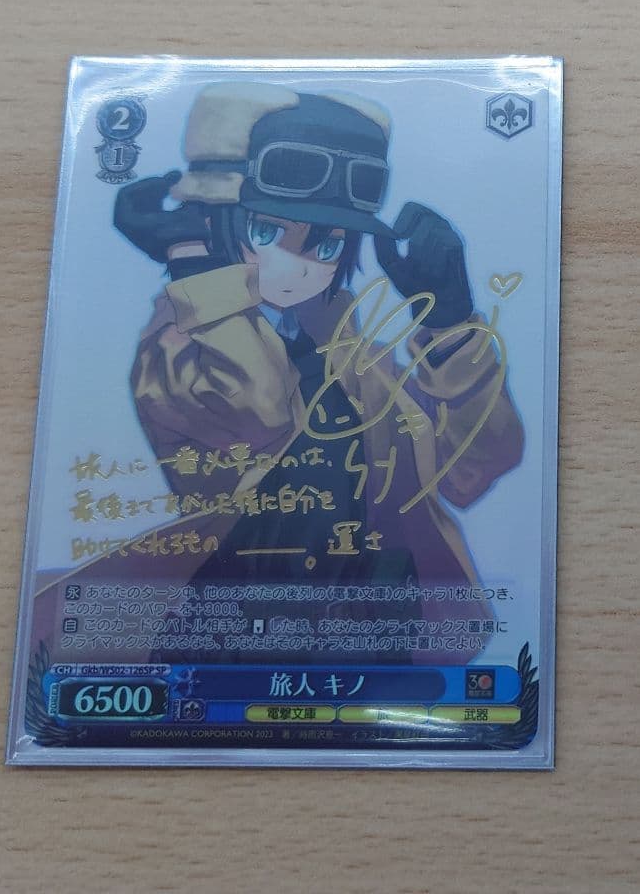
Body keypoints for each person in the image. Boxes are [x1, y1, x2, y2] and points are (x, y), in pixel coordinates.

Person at [112, 82, 524, 664]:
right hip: (237, 633)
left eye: (329, 245)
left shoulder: (358, 365)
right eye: (265, 233)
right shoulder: (177, 352)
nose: (299, 265)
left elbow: (474, 468)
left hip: (372, 635)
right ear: (209, 228)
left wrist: (451, 325)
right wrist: (195, 270)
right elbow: (256, 413)